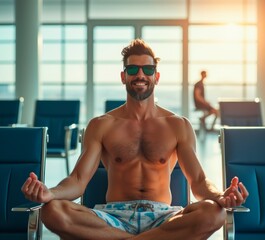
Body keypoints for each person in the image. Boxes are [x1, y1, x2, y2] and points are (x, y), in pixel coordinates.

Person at [21, 39, 248, 240]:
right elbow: (78, 180)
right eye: (133, 69)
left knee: (214, 212)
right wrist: (50, 193)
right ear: (124, 76)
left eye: (148, 69)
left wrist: (221, 195)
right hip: (112, 217)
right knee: (51, 211)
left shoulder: (178, 125)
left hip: (164, 217)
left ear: (156, 77)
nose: (141, 74)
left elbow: (198, 181)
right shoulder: (101, 125)